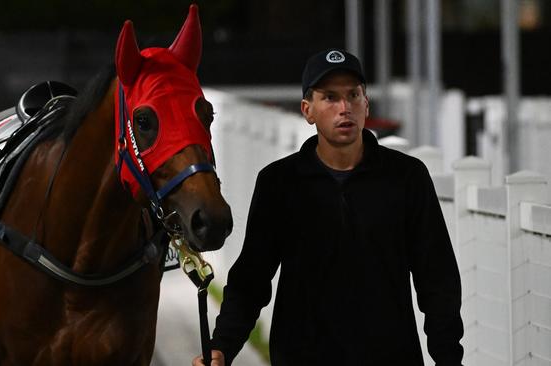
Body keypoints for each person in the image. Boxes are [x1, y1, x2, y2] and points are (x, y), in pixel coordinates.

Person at [192, 49, 463, 366]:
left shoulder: (407, 177)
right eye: (330, 97)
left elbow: (438, 280)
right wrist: (222, 346)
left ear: (366, 105)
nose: (344, 108)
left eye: (353, 95)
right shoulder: (279, 183)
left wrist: (448, 359)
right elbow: (251, 278)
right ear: (308, 110)